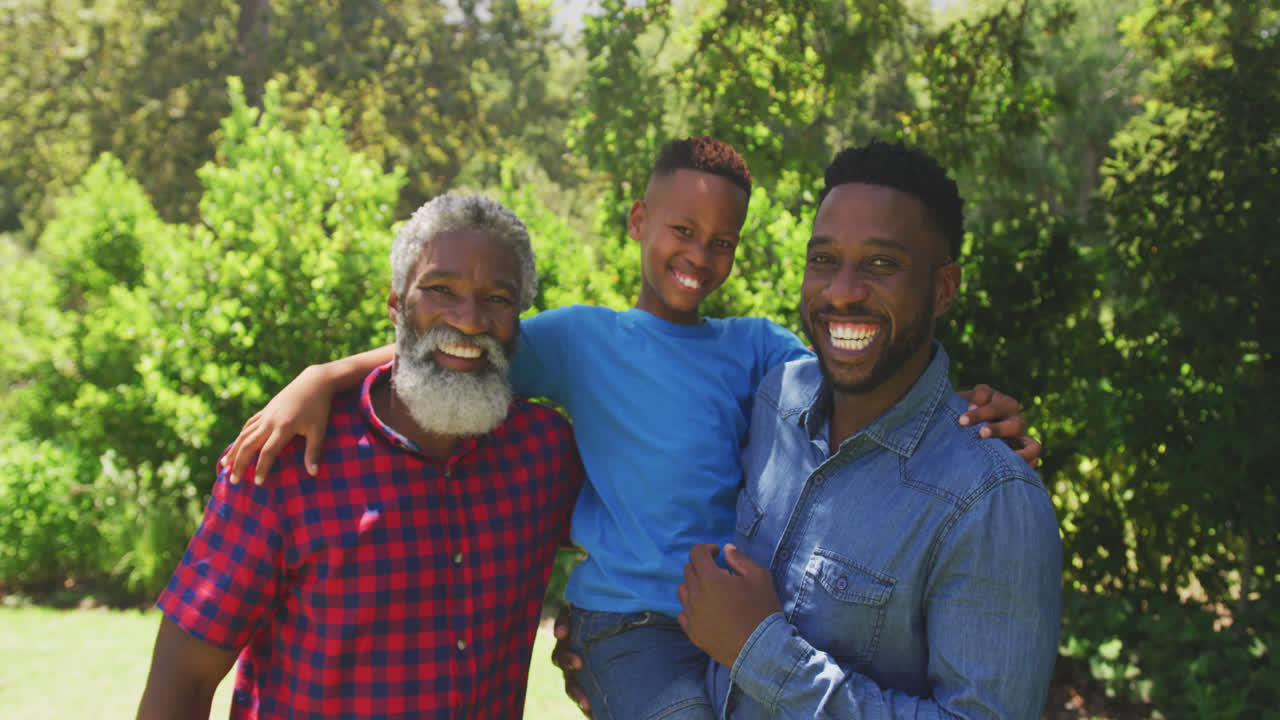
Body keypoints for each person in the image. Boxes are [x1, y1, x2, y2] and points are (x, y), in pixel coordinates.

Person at [220, 138, 1042, 720]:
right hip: (627, 623)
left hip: (717, 628)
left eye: (722, 242)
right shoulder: (583, 340)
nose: (700, 255)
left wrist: (970, 411)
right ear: (638, 221)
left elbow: (869, 368)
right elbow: (465, 348)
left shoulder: (759, 353)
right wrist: (324, 377)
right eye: (682, 231)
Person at [135, 194, 585, 719]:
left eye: (497, 298)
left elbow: (642, 537)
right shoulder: (286, 459)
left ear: (518, 319)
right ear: (396, 305)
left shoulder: (543, 453)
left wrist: (604, 645)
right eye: (441, 290)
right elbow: (182, 678)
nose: (469, 320)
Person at [666, 141, 1063, 717]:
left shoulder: (991, 501)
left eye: (881, 264)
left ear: (944, 289)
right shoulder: (773, 399)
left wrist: (763, 650)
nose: (843, 291)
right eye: (824, 260)